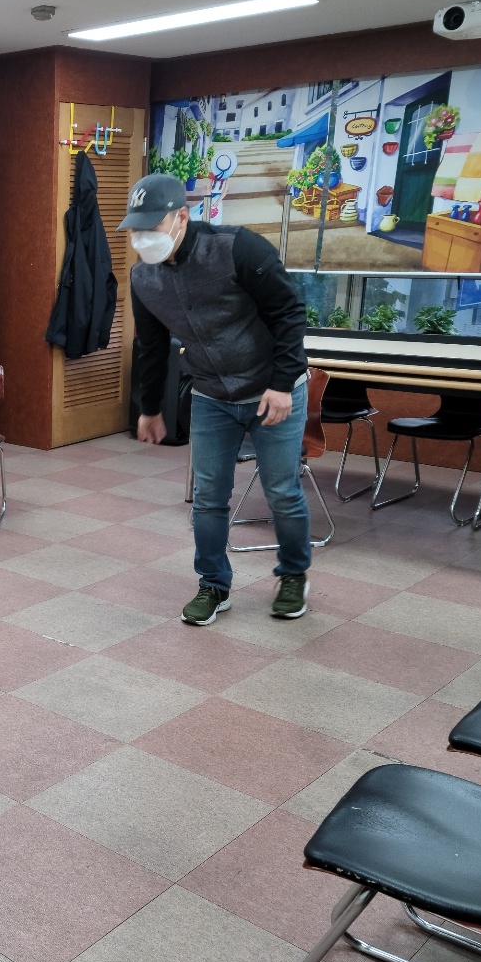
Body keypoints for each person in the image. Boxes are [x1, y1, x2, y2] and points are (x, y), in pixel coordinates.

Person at [120, 172, 311, 625]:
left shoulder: (237, 247)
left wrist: (283, 383)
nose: (143, 237)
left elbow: (289, 311)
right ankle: (213, 584)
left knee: (281, 491)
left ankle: (293, 575)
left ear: (182, 217)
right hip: (210, 394)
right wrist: (150, 407)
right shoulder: (143, 278)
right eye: (136, 228)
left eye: (153, 225)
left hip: (271, 390)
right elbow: (151, 346)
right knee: (208, 497)